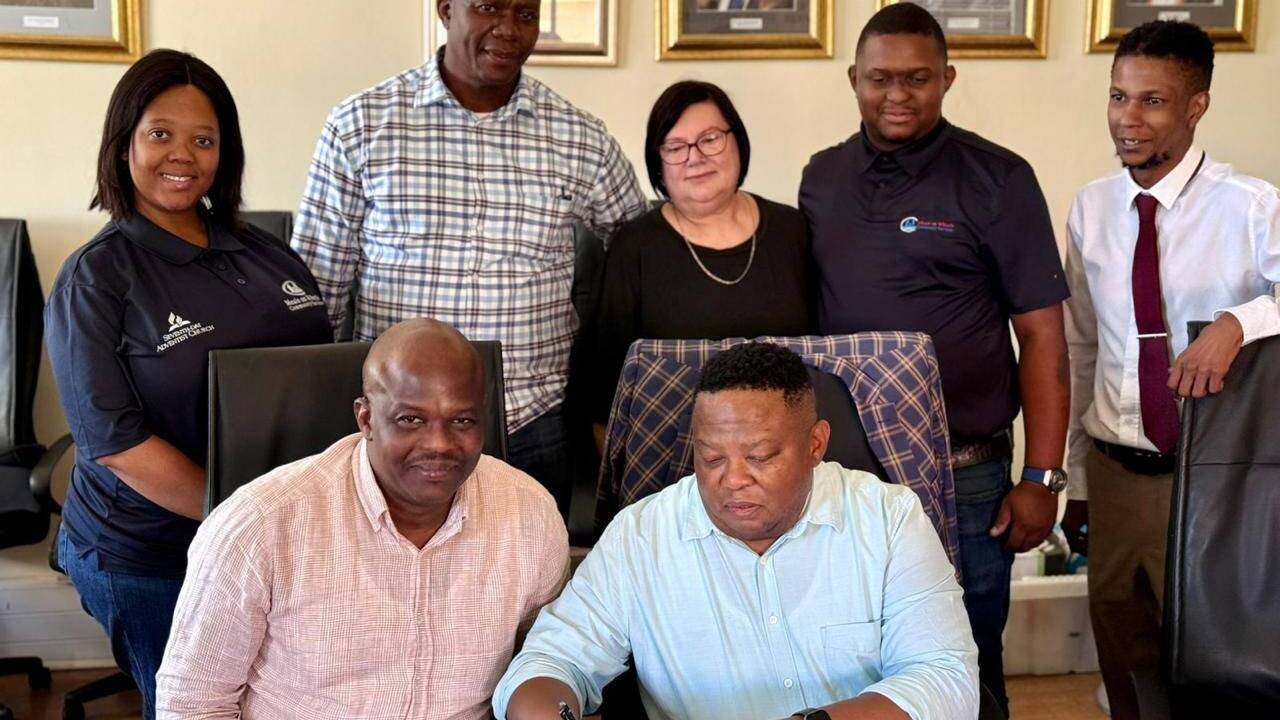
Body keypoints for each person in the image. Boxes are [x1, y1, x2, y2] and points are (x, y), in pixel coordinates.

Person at [42, 49, 332, 719]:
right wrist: (244, 520)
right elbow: (115, 445)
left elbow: (318, 378)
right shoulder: (96, 278)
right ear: (123, 145)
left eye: (204, 139)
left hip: (271, 542)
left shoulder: (267, 250)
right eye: (160, 133)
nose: (183, 154)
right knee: (192, 708)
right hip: (150, 556)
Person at [799, 5, 1070, 711]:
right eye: (880, 78)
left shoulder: (999, 179)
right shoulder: (821, 178)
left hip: (966, 475)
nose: (897, 94)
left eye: (917, 78)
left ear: (947, 79)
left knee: (968, 663)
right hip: (851, 475)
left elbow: (1043, 336)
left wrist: (1042, 476)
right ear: (853, 79)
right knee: (856, 660)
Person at [495, 342, 978, 720]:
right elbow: (549, 662)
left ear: (815, 444)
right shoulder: (641, 537)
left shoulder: (888, 519)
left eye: (760, 457)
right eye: (711, 458)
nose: (733, 479)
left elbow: (945, 678)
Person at [290, 0, 647, 511]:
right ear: (445, 9)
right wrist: (310, 420)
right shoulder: (361, 124)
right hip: (401, 424)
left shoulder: (579, 136)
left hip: (533, 421)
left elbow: (639, 248)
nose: (508, 29)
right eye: (487, 8)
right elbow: (318, 285)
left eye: (526, 14)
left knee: (532, 562)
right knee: (391, 562)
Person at [155, 319, 570, 719]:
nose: (439, 444)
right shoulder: (259, 525)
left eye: (461, 420)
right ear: (366, 418)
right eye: (411, 419)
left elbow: (544, 662)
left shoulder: (529, 513)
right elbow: (192, 704)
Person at [1061, 21, 1280, 720]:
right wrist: (1075, 480)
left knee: (1217, 665)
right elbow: (1081, 348)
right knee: (1126, 658)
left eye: (1152, 101)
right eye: (1118, 96)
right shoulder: (1091, 208)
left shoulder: (1251, 208)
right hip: (1116, 472)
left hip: (1215, 479)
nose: (1127, 119)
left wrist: (1236, 323)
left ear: (1196, 106)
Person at [590, 81, 810, 447]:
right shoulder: (635, 246)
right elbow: (601, 388)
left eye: (710, 139)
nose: (695, 157)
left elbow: (826, 358)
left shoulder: (793, 230)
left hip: (785, 450)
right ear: (658, 164)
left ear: (738, 141)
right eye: (676, 147)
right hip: (670, 457)